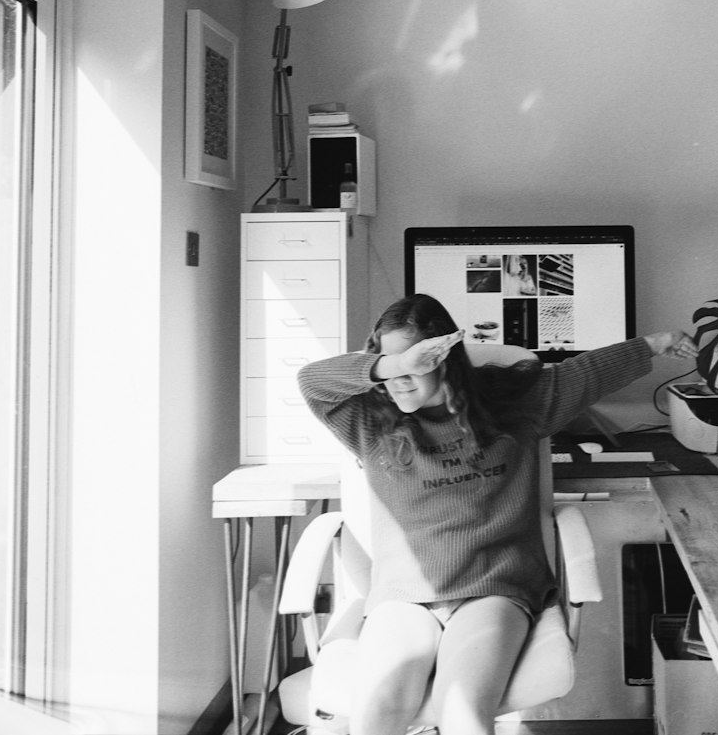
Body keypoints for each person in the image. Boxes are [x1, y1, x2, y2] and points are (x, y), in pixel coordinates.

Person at [298, 292, 697, 735]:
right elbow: (311, 381)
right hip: (404, 597)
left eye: (415, 362)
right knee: (376, 714)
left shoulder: (516, 406)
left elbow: (586, 373)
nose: (400, 379)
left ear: (444, 355)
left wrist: (657, 343)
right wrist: (394, 365)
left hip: (494, 588)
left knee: (462, 714)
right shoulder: (369, 422)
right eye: (391, 366)